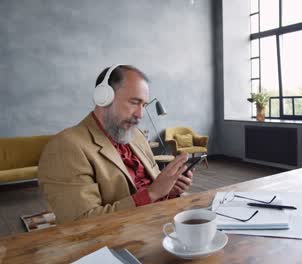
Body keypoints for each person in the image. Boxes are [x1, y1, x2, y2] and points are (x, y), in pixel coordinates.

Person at [38, 65, 193, 224]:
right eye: (134, 102)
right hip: (124, 234)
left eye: (144, 105)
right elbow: (81, 224)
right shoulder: (66, 147)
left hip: (161, 218)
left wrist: (169, 189)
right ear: (103, 97)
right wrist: (152, 193)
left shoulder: (136, 136)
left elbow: (152, 185)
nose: (140, 115)